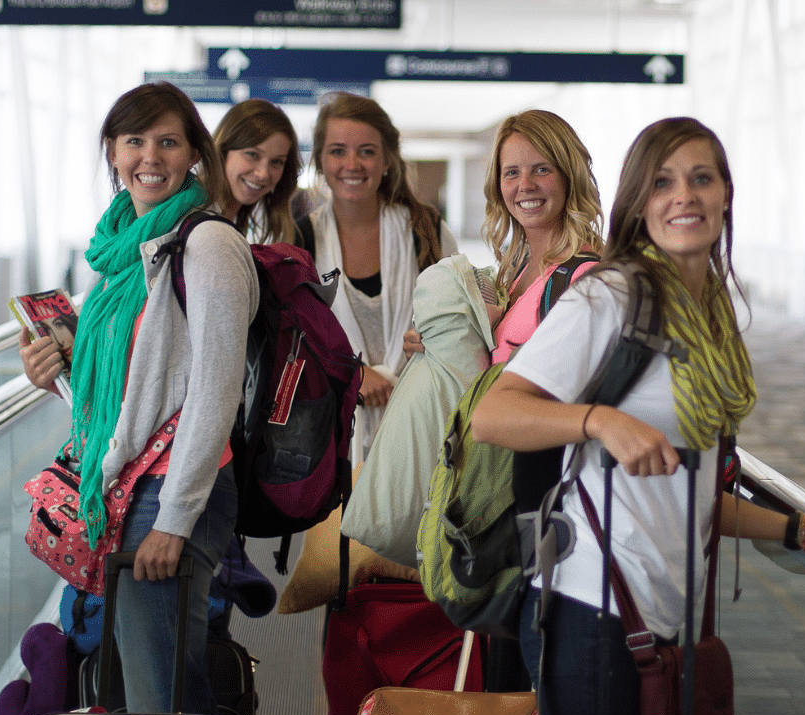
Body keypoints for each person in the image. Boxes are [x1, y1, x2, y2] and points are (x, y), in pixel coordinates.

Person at [472, 117, 805, 715]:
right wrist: (599, 420)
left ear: (727, 195)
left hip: (660, 611)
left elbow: (693, 493)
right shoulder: (610, 298)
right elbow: (496, 414)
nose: (683, 195)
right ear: (638, 203)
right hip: (589, 603)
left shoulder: (712, 318)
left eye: (702, 177)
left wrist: (798, 526)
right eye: (662, 181)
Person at [19, 82, 255, 715]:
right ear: (112, 152)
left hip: (172, 489)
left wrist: (175, 521)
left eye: (168, 141)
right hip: (129, 480)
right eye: (134, 141)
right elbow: (128, 387)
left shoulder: (207, 244)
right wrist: (56, 372)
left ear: (194, 156)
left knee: (161, 701)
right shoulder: (123, 250)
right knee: (136, 689)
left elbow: (214, 389)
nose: (150, 156)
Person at [294, 92, 457, 462]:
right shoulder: (299, 241)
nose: (352, 164)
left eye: (366, 151)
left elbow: (464, 327)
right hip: (330, 446)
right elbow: (292, 346)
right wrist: (352, 375)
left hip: (422, 431)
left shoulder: (425, 231)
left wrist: (437, 335)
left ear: (386, 161)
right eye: (337, 151)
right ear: (319, 161)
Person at [482, 110, 606, 363]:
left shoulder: (584, 279)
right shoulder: (519, 271)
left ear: (569, 178)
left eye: (541, 170)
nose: (525, 185)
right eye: (512, 173)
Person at [213, 98, 300, 243]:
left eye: (277, 162)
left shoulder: (226, 221)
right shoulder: (199, 218)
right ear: (223, 151)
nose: (263, 174)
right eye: (252, 155)